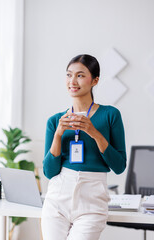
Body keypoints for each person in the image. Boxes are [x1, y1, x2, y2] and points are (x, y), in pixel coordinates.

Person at [41, 54, 126, 240]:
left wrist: (94, 132)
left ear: (95, 80)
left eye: (80, 75)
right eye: (69, 75)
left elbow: (119, 166)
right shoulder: (55, 121)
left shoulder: (110, 115)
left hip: (92, 199)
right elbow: (49, 171)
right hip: (58, 197)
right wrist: (58, 134)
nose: (73, 81)